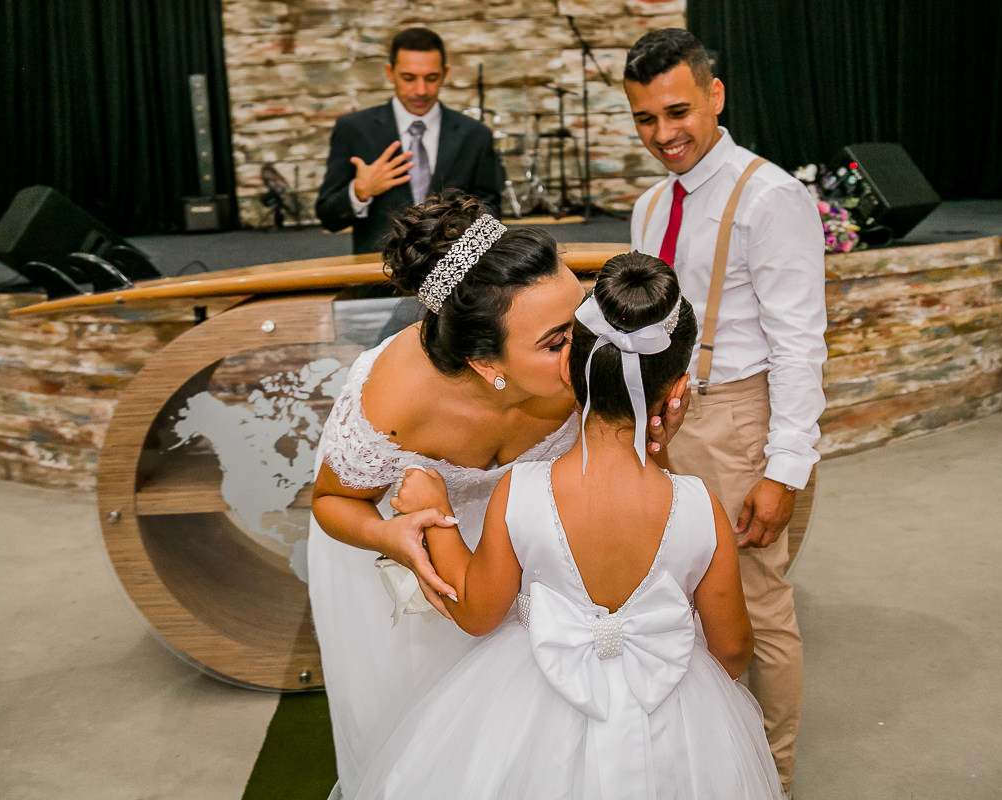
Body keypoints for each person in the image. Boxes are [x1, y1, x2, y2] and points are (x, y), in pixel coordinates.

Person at [348, 252, 784, 799]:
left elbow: (478, 613)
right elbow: (734, 648)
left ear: (569, 369)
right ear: (678, 391)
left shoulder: (521, 492)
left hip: (530, 712)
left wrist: (437, 517)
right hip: (672, 724)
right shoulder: (702, 509)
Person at [309, 194, 681, 797]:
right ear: (487, 364)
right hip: (404, 558)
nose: (587, 346)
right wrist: (391, 533)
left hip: (518, 548)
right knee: (415, 733)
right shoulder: (393, 404)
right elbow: (331, 502)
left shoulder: (584, 369)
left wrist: (655, 437)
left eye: (581, 317)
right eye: (558, 340)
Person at [623, 28, 828, 797]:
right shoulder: (649, 207)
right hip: (665, 422)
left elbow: (800, 345)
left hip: (738, 421)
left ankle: (771, 778)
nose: (665, 134)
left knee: (759, 605)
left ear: (715, 96)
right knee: (675, 595)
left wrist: (784, 469)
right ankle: (705, 758)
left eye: (678, 111)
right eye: (646, 119)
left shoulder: (769, 196)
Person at [314, 27, 502, 255]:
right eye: (408, 78)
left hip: (455, 279)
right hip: (377, 277)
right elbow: (328, 218)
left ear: (444, 73)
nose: (421, 90)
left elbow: (490, 214)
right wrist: (359, 192)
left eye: (431, 78)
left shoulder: (475, 134)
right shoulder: (353, 130)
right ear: (390, 72)